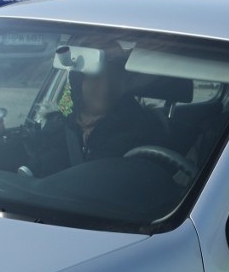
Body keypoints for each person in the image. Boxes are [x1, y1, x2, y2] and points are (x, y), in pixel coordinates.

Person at [31, 39, 164, 176]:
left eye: (114, 76)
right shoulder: (55, 125)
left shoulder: (144, 130)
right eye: (95, 77)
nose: (105, 88)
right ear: (78, 81)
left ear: (123, 80)